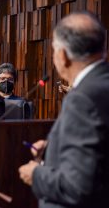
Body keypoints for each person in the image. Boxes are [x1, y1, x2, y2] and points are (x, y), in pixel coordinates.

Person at [18, 11, 109, 208]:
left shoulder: (82, 98)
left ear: (63, 55)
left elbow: (78, 188)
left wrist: (36, 174)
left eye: (53, 51)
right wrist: (53, 147)